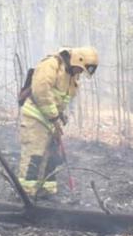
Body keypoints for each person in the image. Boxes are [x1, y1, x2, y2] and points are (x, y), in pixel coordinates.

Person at [17, 47, 98, 198]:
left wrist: (60, 115)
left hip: (51, 120)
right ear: (76, 60)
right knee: (34, 155)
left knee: (52, 156)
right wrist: (54, 117)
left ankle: (47, 190)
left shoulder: (71, 75)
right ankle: (26, 193)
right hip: (35, 117)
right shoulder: (51, 65)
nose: (79, 73)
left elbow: (59, 99)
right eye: (79, 70)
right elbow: (41, 92)